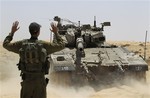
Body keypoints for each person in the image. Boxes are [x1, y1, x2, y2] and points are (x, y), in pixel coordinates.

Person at [3, 21, 65, 98]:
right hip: (40, 82)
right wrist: (56, 33)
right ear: (38, 32)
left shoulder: (22, 44)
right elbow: (61, 45)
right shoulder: (44, 45)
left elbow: (5, 44)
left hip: (27, 81)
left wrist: (12, 32)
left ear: (30, 31)